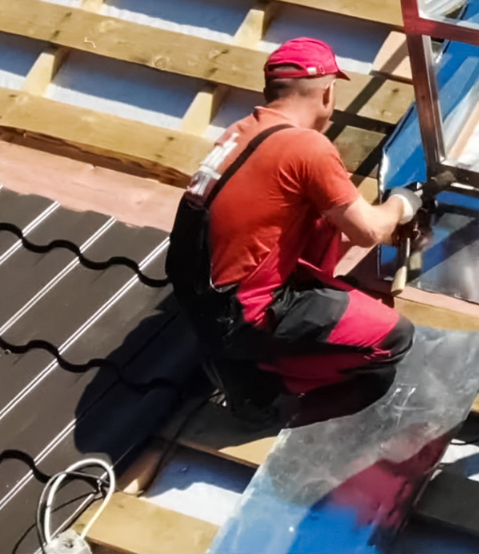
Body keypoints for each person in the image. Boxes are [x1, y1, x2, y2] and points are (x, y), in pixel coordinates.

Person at [169, 37, 418, 416]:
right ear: (327, 93)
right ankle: (260, 383)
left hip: (209, 304)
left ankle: (249, 353)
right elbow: (368, 231)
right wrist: (402, 205)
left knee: (322, 217)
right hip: (250, 315)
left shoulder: (239, 132)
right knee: (393, 340)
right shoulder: (307, 148)